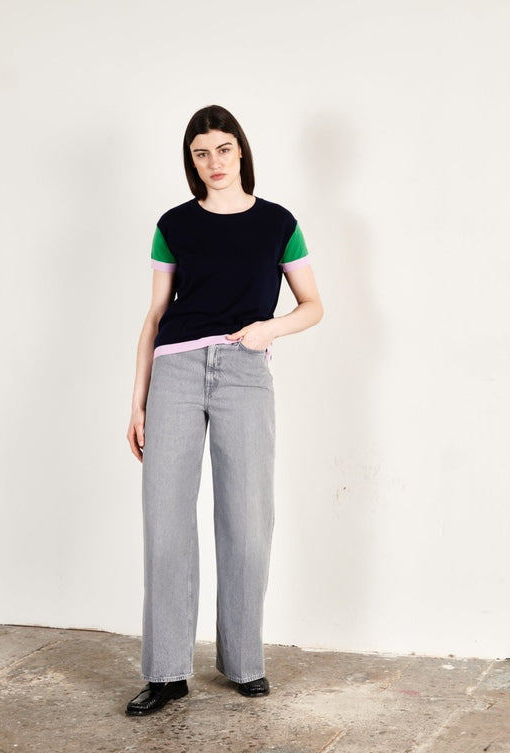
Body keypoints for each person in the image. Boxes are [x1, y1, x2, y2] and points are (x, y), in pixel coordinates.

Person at [125, 105, 323, 716]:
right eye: (201, 153)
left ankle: (243, 662)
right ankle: (166, 673)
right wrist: (137, 402)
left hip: (244, 369)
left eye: (223, 149)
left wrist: (271, 329)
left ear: (241, 151)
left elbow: (313, 305)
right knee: (165, 520)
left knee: (247, 517)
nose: (214, 162)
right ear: (192, 161)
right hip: (176, 371)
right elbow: (154, 317)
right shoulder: (173, 224)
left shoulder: (279, 223)